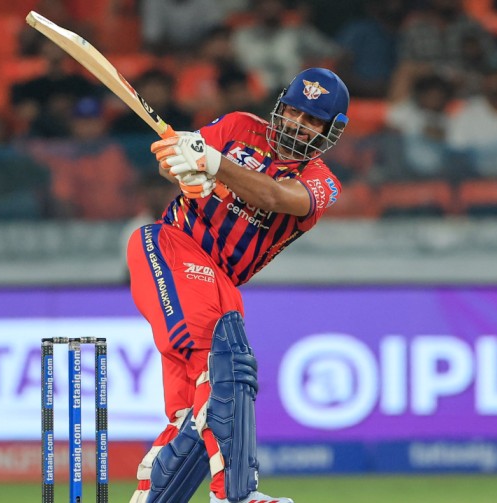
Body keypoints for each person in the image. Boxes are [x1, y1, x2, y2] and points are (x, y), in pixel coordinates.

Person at [126, 67, 349, 503]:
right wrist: (183, 171)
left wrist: (212, 164)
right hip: (173, 245)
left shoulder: (323, 182)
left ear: (330, 131)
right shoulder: (239, 126)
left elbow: (274, 197)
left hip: (222, 282)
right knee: (226, 363)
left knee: (195, 418)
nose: (296, 124)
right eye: (293, 111)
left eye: (311, 120)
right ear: (280, 106)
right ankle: (234, 493)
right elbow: (174, 162)